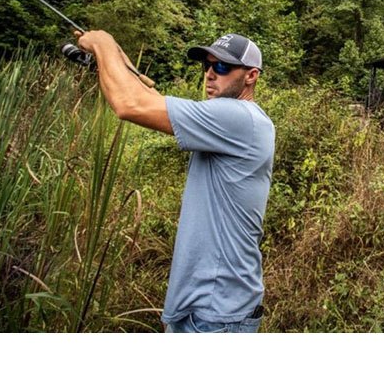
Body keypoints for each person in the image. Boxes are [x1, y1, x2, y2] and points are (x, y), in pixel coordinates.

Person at [74, 30, 275, 333]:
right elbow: (149, 98)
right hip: (202, 307)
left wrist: (100, 43)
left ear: (251, 76)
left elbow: (129, 103)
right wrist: (113, 49)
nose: (209, 74)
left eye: (221, 67)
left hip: (215, 315)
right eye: (206, 66)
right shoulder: (238, 120)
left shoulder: (237, 117)